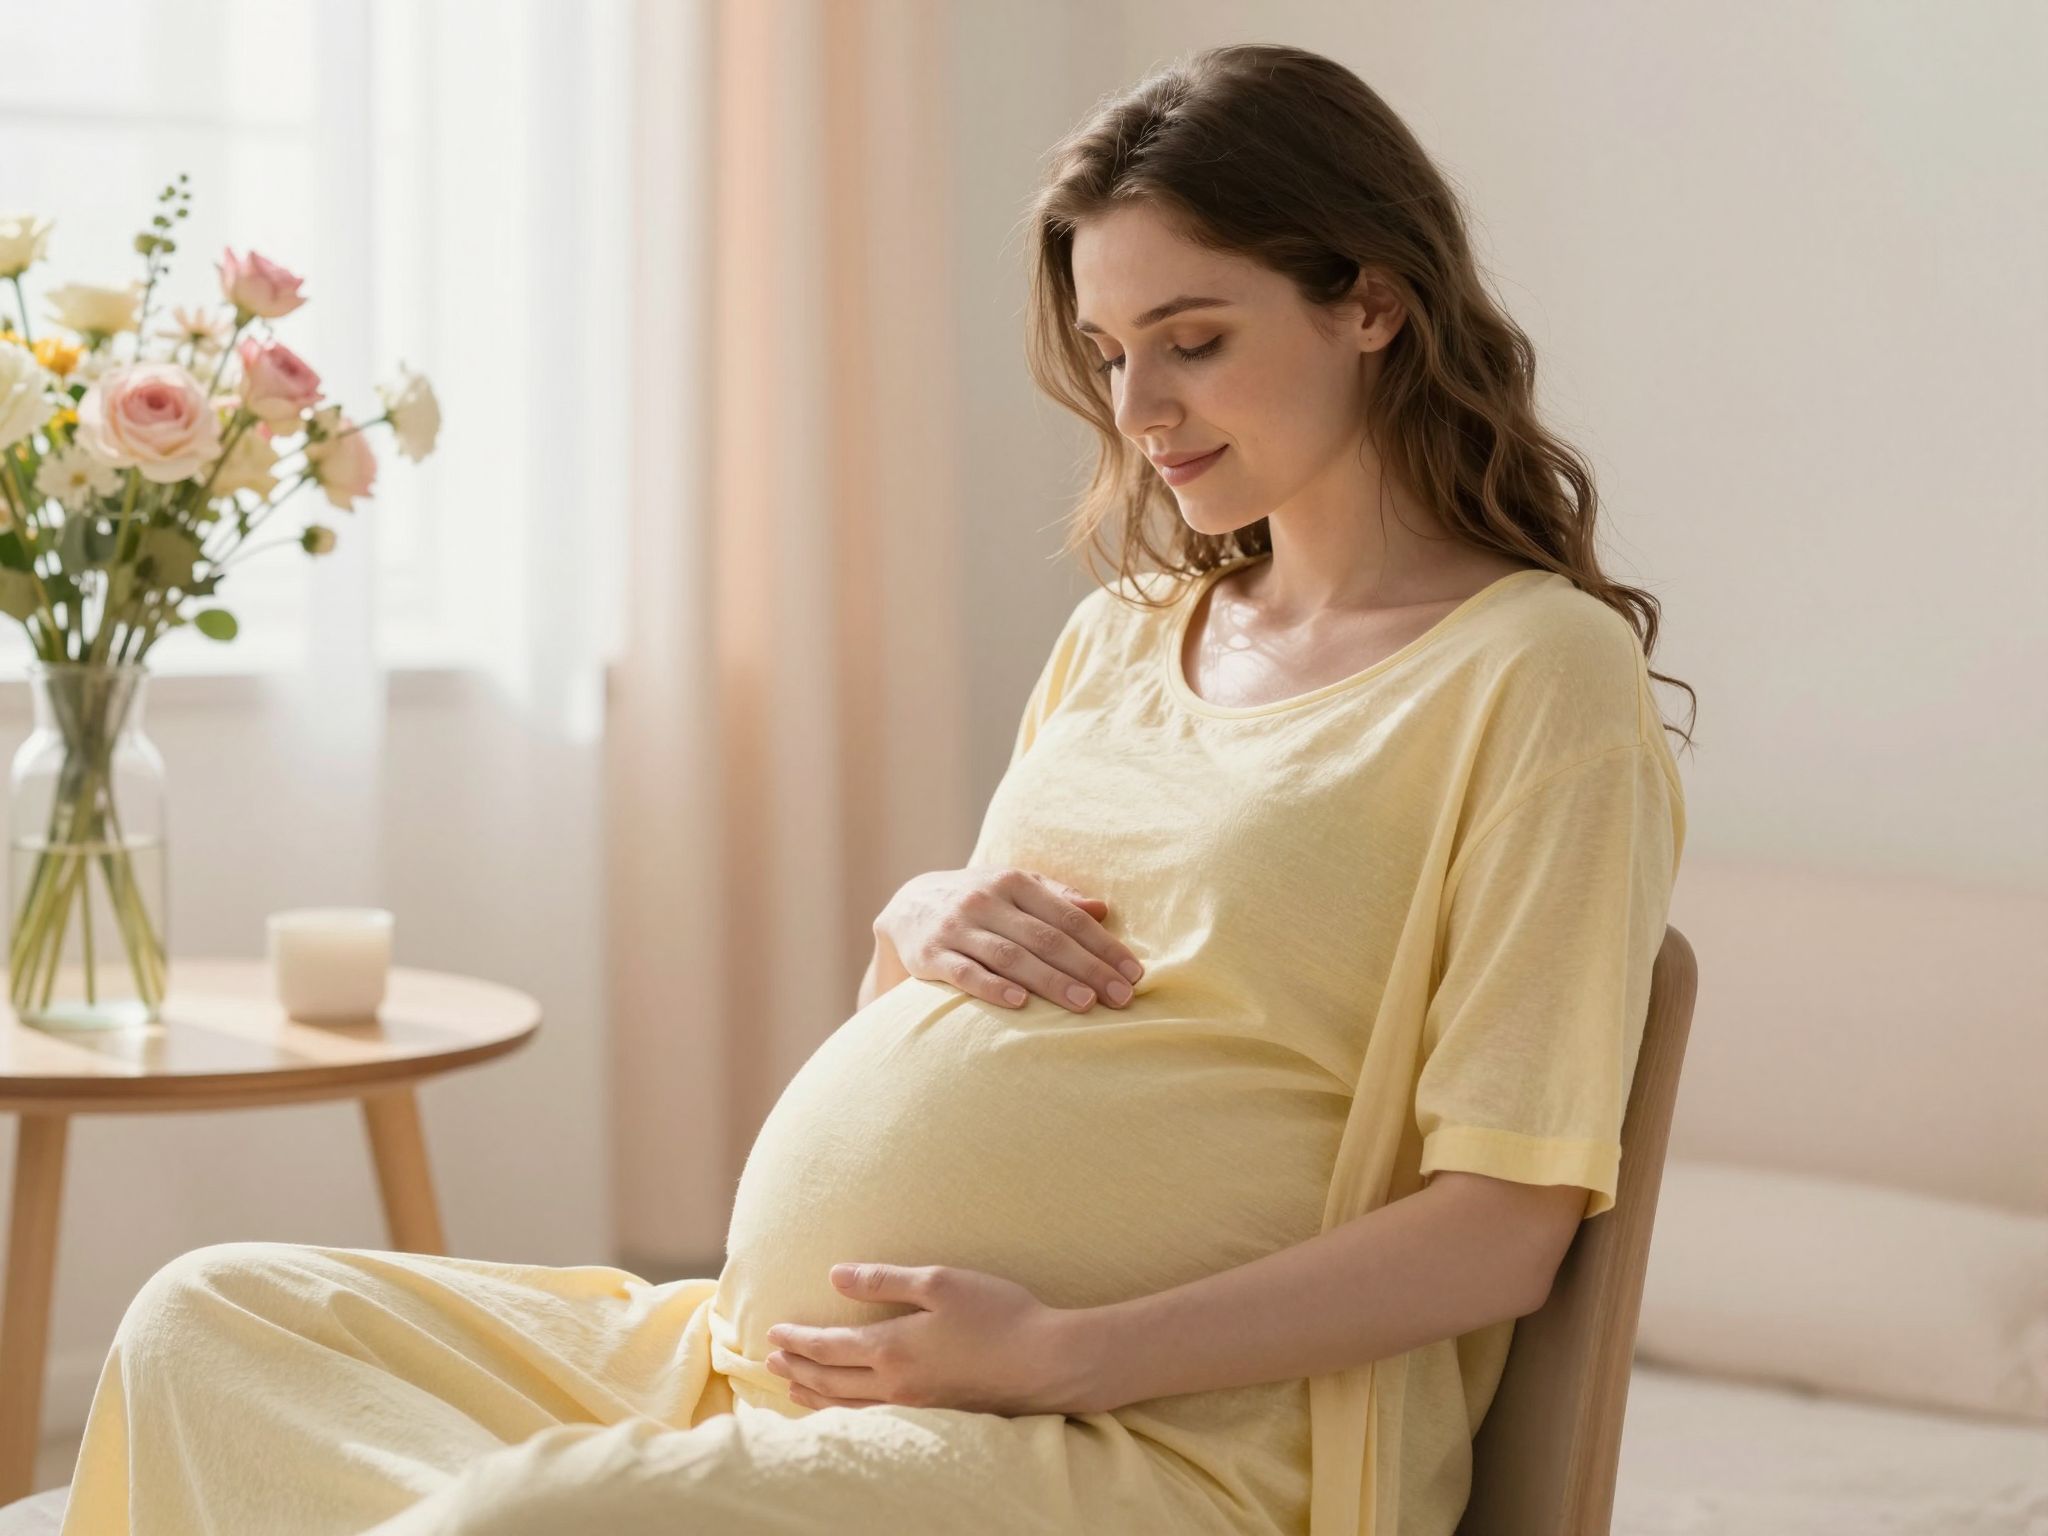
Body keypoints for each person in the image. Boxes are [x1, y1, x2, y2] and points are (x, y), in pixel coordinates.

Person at [54, 41, 1691, 1536]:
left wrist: (1063, 1357)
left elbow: (1502, 1228)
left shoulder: (1534, 677)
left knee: (533, 1521)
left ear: (1374, 305)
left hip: (1147, 1447)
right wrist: (915, 923)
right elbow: (946, 1033)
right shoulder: (1122, 636)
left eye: (1194, 341)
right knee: (212, 1320)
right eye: (1113, 353)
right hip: (754, 1359)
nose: (1138, 412)